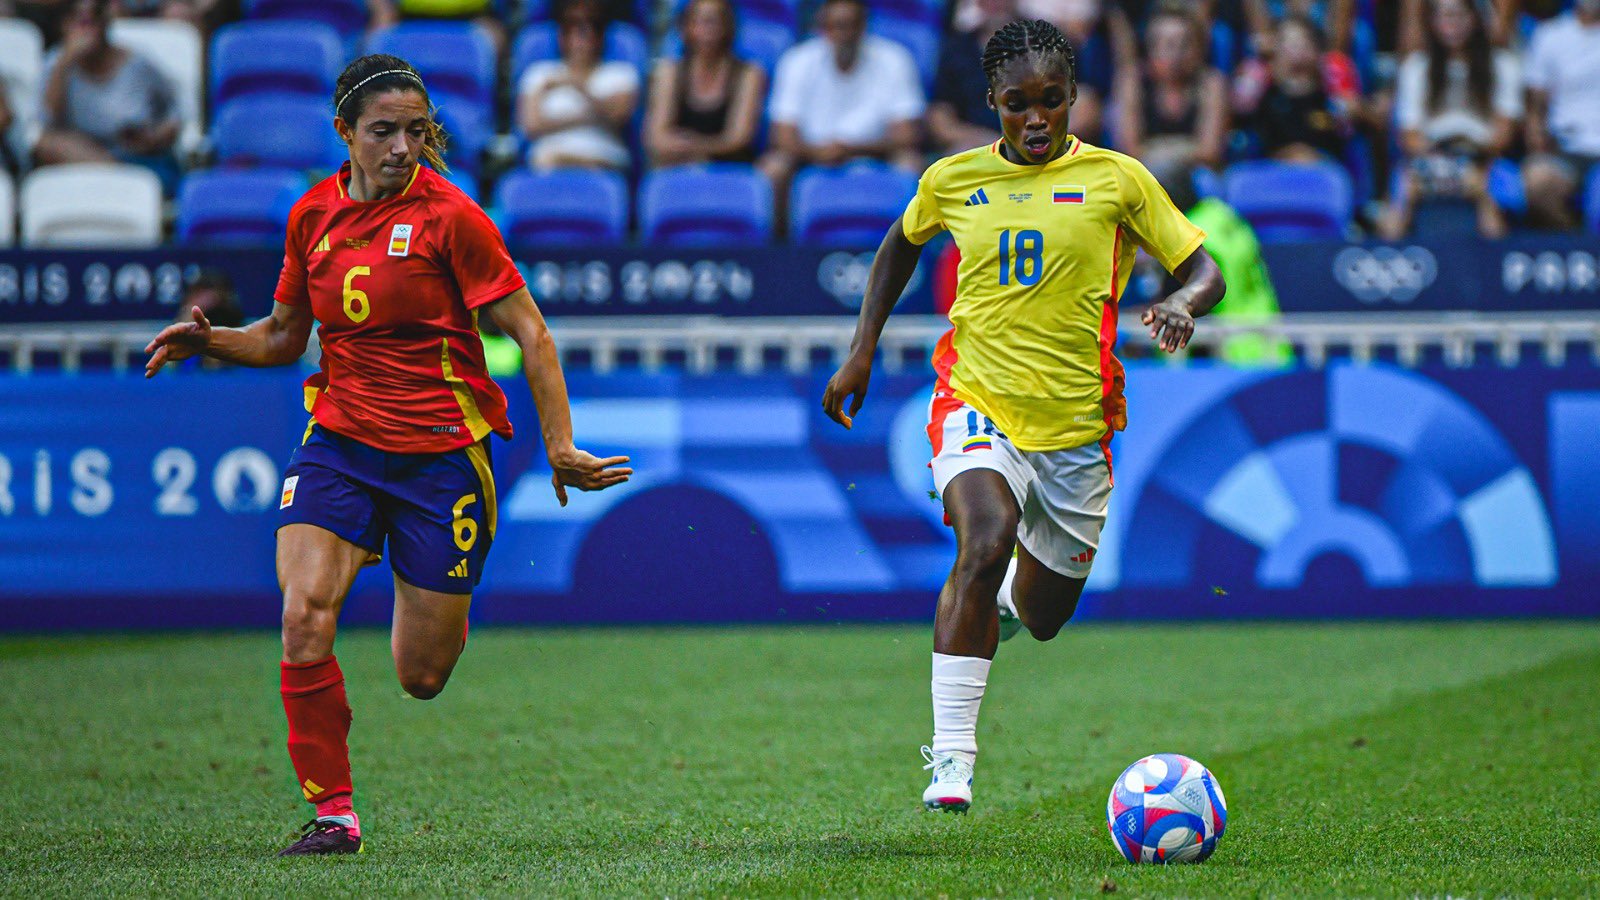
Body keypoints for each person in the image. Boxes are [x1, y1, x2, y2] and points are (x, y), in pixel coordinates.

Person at [143, 54, 632, 856]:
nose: (403, 147)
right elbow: (282, 337)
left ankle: (399, 557)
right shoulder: (312, 217)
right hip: (339, 442)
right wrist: (214, 343)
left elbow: (531, 334)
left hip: (442, 459)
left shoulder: (452, 218)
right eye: (384, 132)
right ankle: (334, 813)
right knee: (303, 617)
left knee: (422, 675)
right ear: (345, 133)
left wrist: (559, 445)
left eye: (416, 131)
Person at [821, 19, 1224, 813]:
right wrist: (863, 346)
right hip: (977, 397)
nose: (1035, 120)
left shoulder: (1118, 180)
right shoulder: (953, 180)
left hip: (1075, 429)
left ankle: (998, 610)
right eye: (1016, 105)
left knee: (1041, 616)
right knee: (985, 538)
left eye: (1049, 103)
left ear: (1073, 98)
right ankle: (952, 761)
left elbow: (1201, 265)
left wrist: (1181, 300)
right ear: (993, 104)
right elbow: (898, 245)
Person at [761, 0, 925, 212]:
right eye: (836, 26)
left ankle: (908, 240)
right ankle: (781, 243)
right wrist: (818, 153)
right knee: (773, 168)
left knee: (911, 165)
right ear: (822, 28)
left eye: (851, 25)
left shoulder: (894, 58)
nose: (844, 34)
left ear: (864, 26)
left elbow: (907, 135)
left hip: (877, 154)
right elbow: (782, 135)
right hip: (809, 156)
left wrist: (850, 149)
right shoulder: (797, 61)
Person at [1381, 0, 1519, 239]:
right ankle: (1390, 261)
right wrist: (1441, 164)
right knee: (1403, 191)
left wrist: (1473, 167)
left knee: (1489, 190)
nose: (1452, 24)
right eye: (1444, 16)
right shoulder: (1416, 67)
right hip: (1431, 156)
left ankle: (1495, 262)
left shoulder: (1503, 64)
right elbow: (1409, 136)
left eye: (1459, 16)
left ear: (1475, 19)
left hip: (1484, 158)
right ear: (1432, 22)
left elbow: (1503, 133)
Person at [35, 0, 181, 179]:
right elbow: (48, 120)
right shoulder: (56, 64)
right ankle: (116, 177)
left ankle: (120, 180)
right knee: (49, 144)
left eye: (93, 21)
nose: (87, 31)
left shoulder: (138, 65)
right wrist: (66, 62)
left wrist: (154, 138)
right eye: (79, 22)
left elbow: (174, 115)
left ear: (106, 22)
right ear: (64, 25)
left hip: (138, 159)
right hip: (78, 160)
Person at [515, 0, 640, 171]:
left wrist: (575, 85)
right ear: (562, 38)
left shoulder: (621, 73)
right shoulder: (540, 73)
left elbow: (617, 116)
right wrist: (589, 117)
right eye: (574, 34)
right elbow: (531, 125)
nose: (581, 42)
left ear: (599, 38)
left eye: (587, 34)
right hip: (549, 158)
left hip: (603, 156)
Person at [644, 0, 765, 166]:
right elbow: (655, 136)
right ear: (685, 27)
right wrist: (685, 149)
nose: (707, 30)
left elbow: (739, 138)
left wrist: (697, 147)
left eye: (713, 22)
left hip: (731, 164)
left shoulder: (749, 73)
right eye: (698, 22)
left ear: (728, 26)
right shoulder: (669, 71)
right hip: (678, 162)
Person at [1113, 3, 1229, 174]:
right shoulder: (1133, 81)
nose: (1176, 55)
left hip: (1197, 176)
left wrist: (1158, 149)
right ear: (1150, 49)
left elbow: (1210, 152)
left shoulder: (1212, 83)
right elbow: (1130, 150)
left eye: (1185, 44)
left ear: (1199, 49)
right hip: (1145, 173)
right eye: (1168, 45)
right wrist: (1186, 148)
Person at [1519, 0, 1600, 231]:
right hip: (1564, 147)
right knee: (1537, 181)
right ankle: (1576, 246)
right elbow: (1536, 104)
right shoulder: (1550, 35)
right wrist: (1537, 136)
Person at [1232, 15, 1356, 162]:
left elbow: (1345, 130)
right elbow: (1240, 108)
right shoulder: (1261, 84)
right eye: (1289, 43)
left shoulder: (1328, 91)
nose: (1298, 51)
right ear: (1274, 47)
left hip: (1321, 169)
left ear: (1316, 50)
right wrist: (1261, 67)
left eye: (1304, 42)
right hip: (1270, 169)